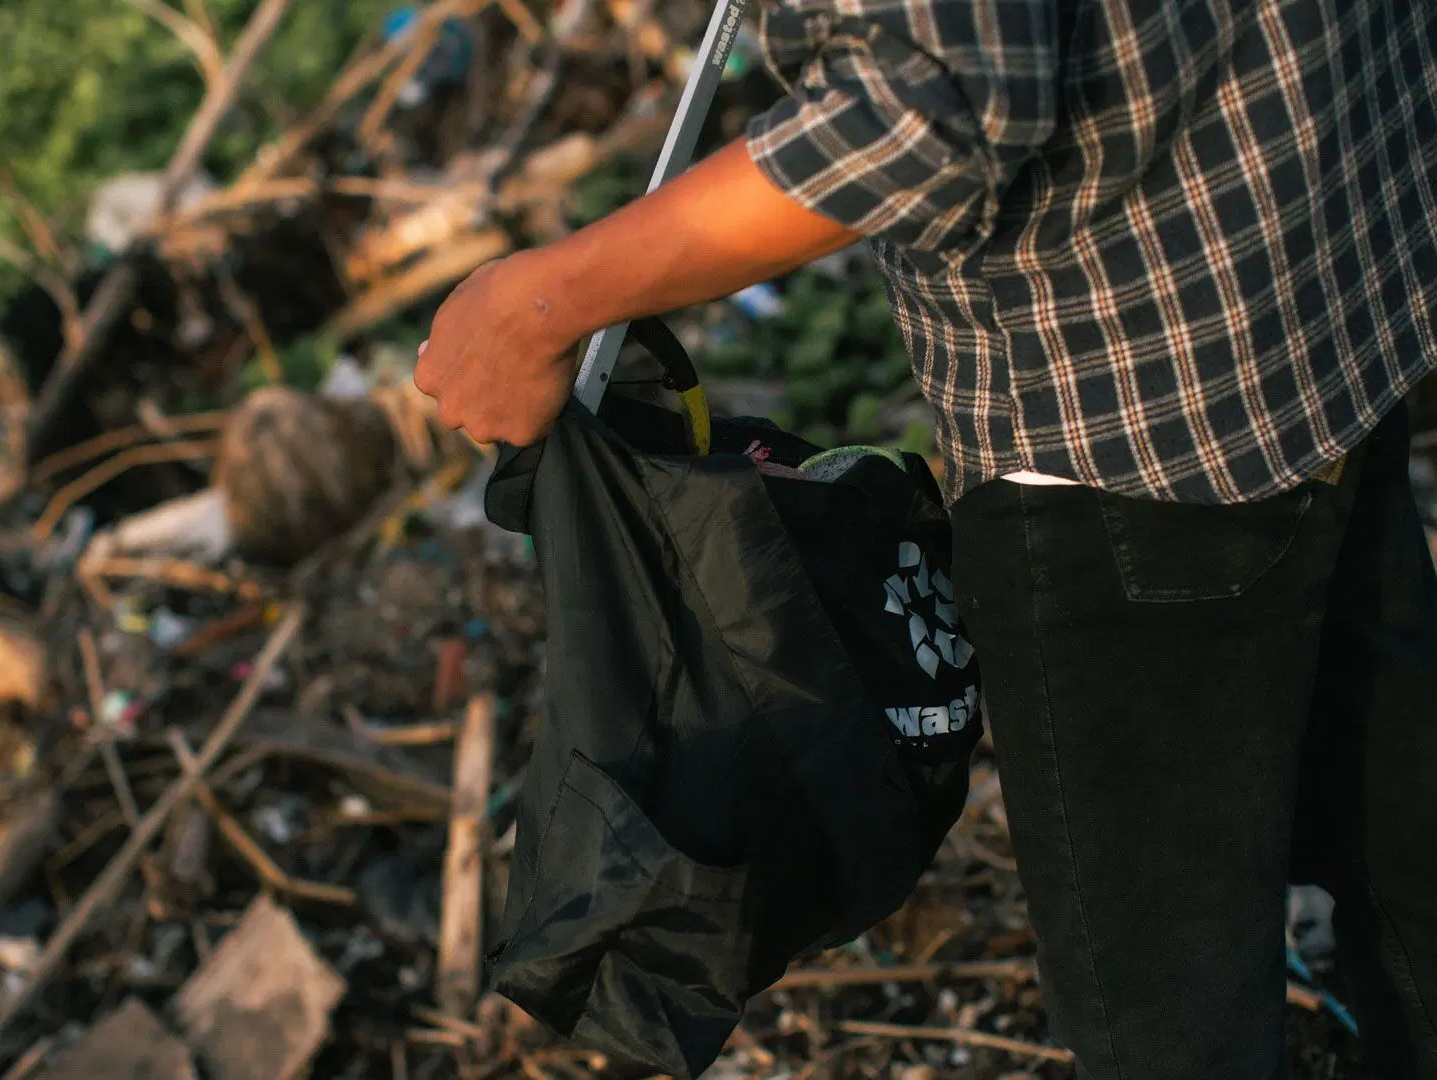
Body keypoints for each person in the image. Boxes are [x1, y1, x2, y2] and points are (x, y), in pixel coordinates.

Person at [412, 0, 1437, 1073]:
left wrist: (542, 304)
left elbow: (922, 111)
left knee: (1165, 1000)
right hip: (1327, 261)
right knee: (1400, 827)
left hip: (1125, 409)